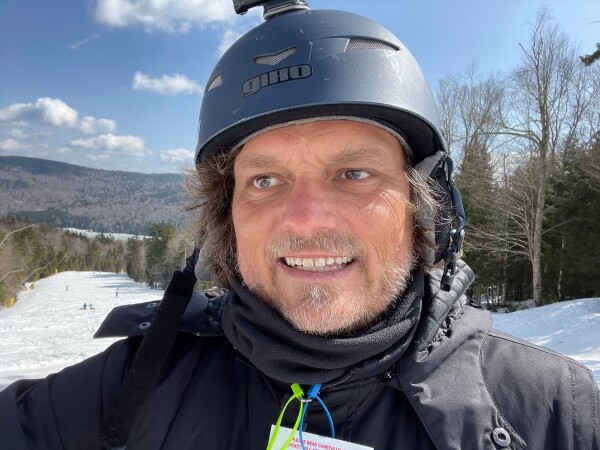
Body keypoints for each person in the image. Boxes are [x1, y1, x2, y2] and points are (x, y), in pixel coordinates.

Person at [1, 2, 598, 449]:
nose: (306, 218)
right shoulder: (137, 384)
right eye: (264, 180)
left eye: (355, 173)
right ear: (226, 217)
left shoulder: (551, 412)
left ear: (423, 206)